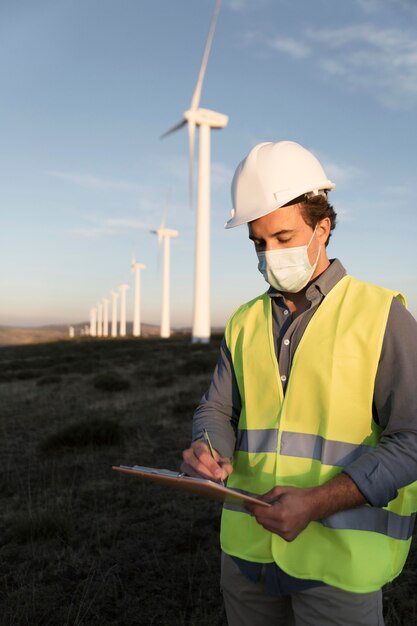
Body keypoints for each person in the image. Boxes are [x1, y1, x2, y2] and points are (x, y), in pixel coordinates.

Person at [181, 140, 417, 626]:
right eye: (258, 242)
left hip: (339, 564)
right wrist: (208, 447)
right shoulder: (244, 321)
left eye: (284, 237)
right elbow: (218, 410)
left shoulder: (382, 315)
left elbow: (412, 439)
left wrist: (316, 502)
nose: (270, 254)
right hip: (247, 557)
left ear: (322, 227)